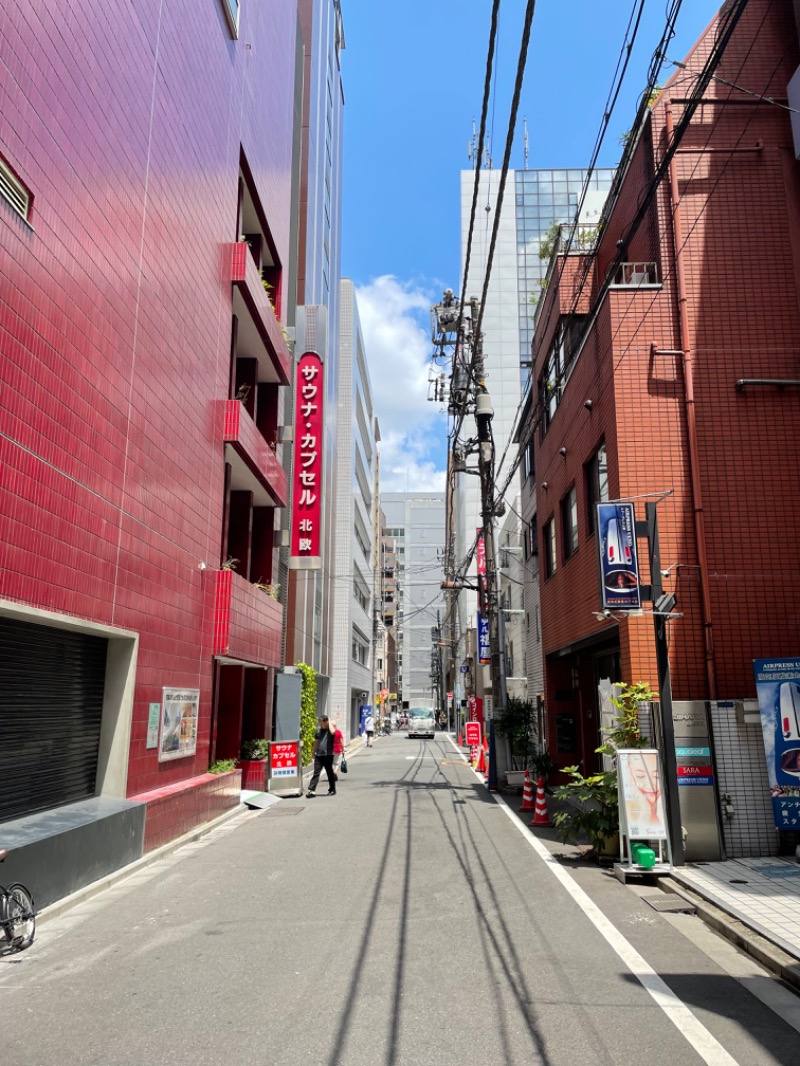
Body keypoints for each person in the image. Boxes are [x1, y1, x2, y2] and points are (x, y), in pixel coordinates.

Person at [306, 715, 336, 797]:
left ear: (326, 722)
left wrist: (329, 722)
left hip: (328, 755)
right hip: (319, 755)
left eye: (321, 722)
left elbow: (333, 732)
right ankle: (311, 790)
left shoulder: (330, 730)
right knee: (316, 772)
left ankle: (332, 789)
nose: (319, 723)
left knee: (329, 773)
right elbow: (316, 742)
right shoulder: (318, 731)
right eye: (319, 721)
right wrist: (313, 752)